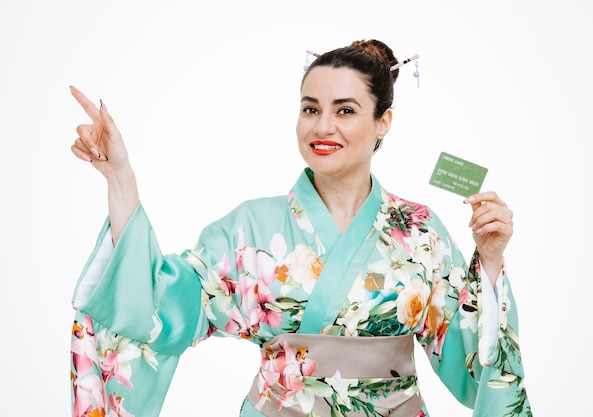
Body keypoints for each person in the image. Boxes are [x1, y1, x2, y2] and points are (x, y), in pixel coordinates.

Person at [69, 39, 532, 417]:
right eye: (311, 109)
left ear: (382, 122)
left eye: (345, 110)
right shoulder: (251, 226)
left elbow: (472, 359)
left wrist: (489, 261)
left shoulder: (420, 231)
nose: (322, 126)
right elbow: (163, 305)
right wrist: (121, 179)